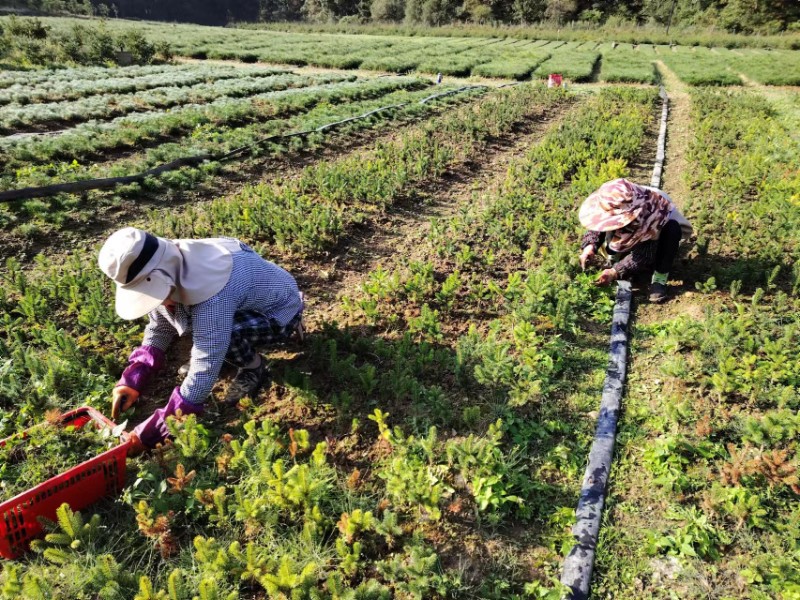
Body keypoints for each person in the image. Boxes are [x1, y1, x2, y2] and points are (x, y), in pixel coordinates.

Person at [98, 227, 305, 453]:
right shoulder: (167, 262)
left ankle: (253, 366)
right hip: (243, 302)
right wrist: (134, 377)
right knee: (199, 323)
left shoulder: (214, 294)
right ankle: (234, 354)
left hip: (279, 310)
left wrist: (156, 430)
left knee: (223, 333)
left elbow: (207, 360)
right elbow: (160, 325)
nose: (156, 300)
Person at [578, 178, 692, 303]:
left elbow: (644, 255)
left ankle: (660, 278)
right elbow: (598, 223)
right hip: (631, 228)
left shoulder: (652, 214)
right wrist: (589, 247)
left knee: (672, 230)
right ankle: (614, 257)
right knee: (611, 231)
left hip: (657, 237)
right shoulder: (616, 200)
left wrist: (615, 272)